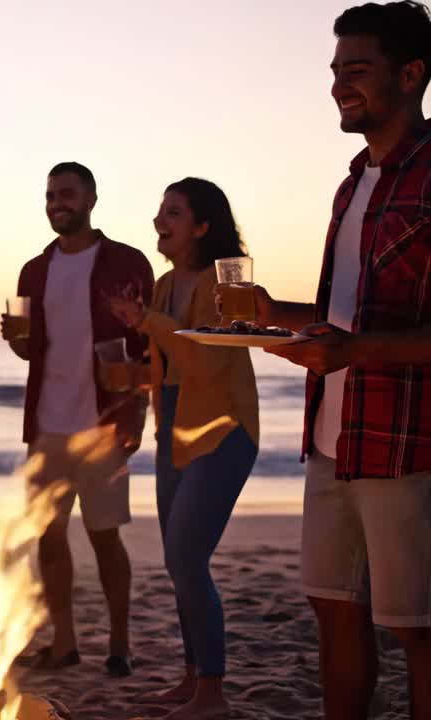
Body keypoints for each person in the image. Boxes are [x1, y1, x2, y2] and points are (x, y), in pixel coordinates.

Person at [252, 3, 431, 717]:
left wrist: (353, 351)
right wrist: (275, 314)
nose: (337, 85)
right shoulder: (352, 183)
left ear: (411, 74)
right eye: (334, 70)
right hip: (332, 440)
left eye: (356, 69)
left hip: (408, 447)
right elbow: (343, 316)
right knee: (333, 608)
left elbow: (361, 338)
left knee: (418, 629)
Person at [105, 179, 259, 719]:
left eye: (173, 212)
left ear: (202, 225)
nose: (158, 221)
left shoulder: (226, 283)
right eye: (160, 211)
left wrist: (144, 320)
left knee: (186, 558)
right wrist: (128, 380)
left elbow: (207, 358)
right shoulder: (167, 284)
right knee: (179, 564)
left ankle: (212, 693)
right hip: (173, 431)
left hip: (223, 431)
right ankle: (193, 679)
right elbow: (167, 369)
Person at [3, 162, 154, 677]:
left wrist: (137, 411)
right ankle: (64, 642)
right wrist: (17, 340)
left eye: (66, 194)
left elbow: (149, 346)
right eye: (50, 195)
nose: (56, 204)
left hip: (105, 425)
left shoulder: (127, 262)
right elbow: (31, 351)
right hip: (47, 425)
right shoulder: (34, 270)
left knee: (104, 534)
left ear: (91, 198)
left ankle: (120, 643)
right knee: (48, 535)